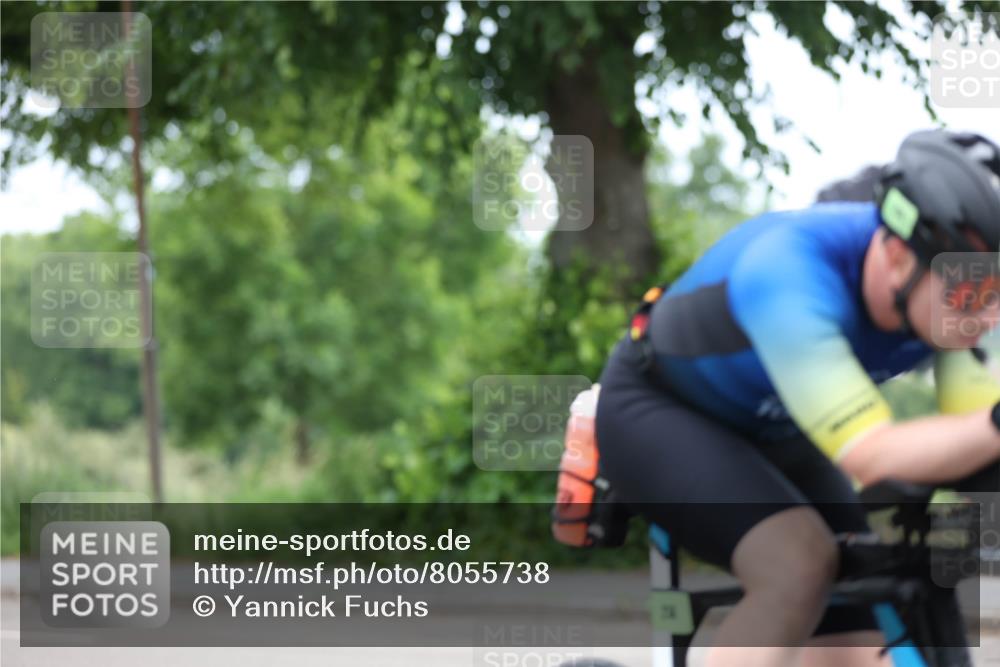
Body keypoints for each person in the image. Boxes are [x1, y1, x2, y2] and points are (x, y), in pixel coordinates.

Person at [594, 129, 1000, 667]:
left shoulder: (942, 299)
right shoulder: (789, 270)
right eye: (973, 292)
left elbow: (975, 428)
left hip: (781, 426)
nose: (989, 314)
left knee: (861, 632)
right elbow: (871, 453)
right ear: (899, 257)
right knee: (798, 565)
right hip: (661, 412)